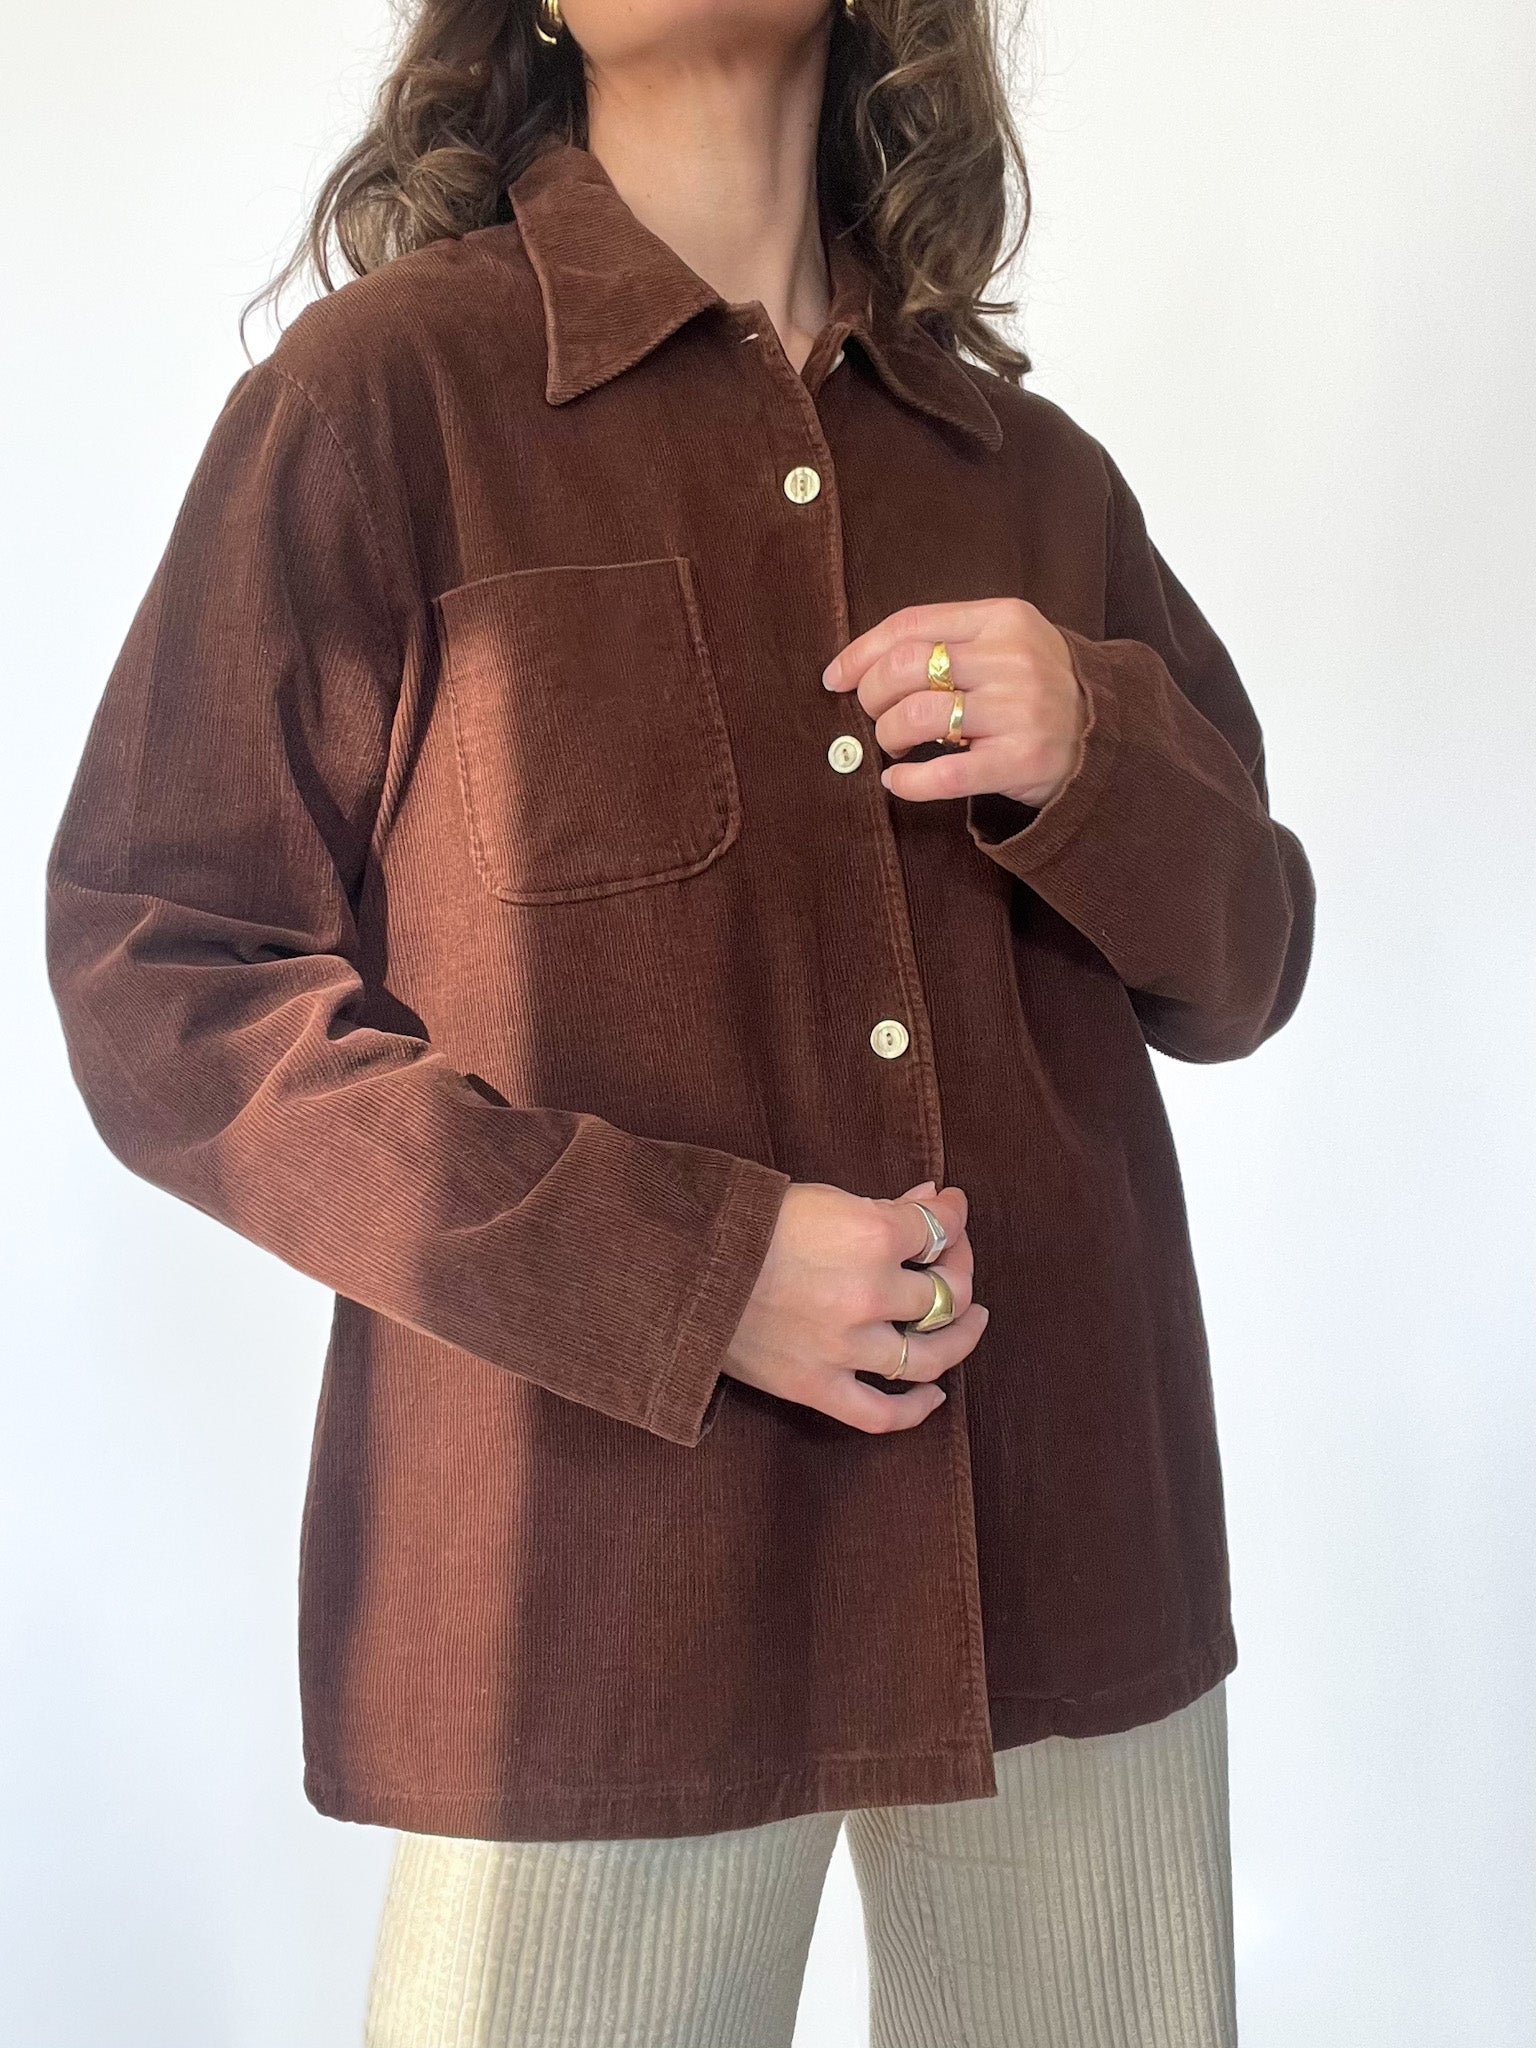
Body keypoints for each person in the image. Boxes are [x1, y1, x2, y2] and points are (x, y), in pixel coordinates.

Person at [45, 0, 1316, 2040]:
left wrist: (1095, 741)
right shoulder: (383, 407)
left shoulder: (1038, 479)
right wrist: (683, 1275)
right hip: (600, 1588)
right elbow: (163, 975)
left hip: (1068, 1551)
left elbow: (1248, 961)